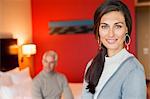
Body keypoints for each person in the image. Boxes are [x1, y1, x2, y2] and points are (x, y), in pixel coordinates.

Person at [81, 0, 147, 99]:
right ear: (98, 31)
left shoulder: (134, 70)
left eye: (118, 26)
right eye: (104, 26)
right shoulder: (92, 65)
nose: (111, 34)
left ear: (126, 29)